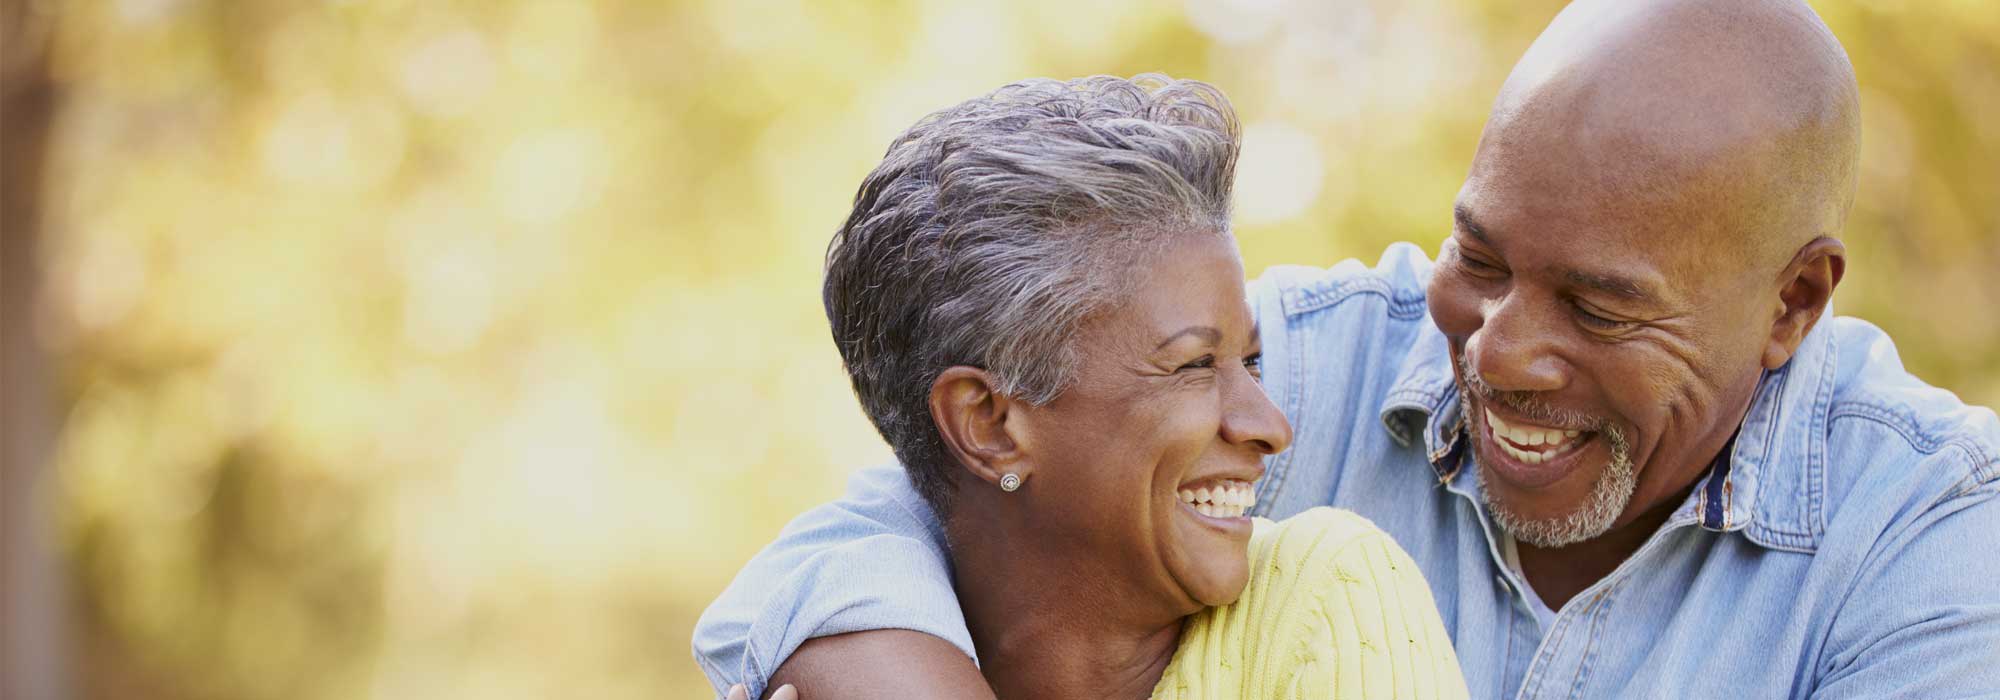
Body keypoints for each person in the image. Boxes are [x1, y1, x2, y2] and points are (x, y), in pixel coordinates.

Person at [696, 1, 2000, 698]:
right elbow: (927, 497)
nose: (1502, 355)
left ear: (1795, 304)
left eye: (1601, 308)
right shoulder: (1312, 360)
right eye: (1479, 258)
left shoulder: (1935, 538)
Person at [708, 74, 1470, 699]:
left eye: (1252, 361)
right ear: (989, 423)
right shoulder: (864, 627)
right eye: (1194, 365)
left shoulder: (1329, 593)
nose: (1269, 424)